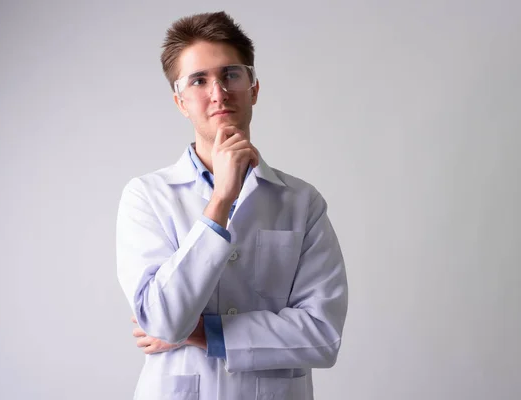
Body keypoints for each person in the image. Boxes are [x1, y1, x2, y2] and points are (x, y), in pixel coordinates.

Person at [116, 11, 348, 400]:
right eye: (199, 80)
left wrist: (206, 333)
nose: (218, 92)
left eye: (230, 75)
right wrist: (221, 199)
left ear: (253, 88)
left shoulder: (302, 202)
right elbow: (162, 320)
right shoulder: (147, 196)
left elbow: (323, 335)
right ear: (181, 101)